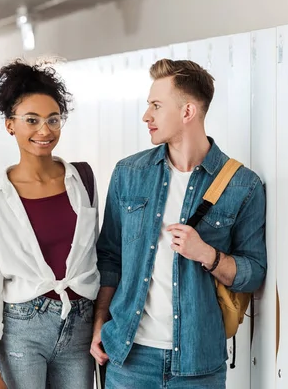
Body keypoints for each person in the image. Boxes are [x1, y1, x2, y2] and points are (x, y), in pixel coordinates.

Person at [91, 58, 267, 388]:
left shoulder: (243, 185)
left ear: (187, 112)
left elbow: (253, 272)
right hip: (129, 356)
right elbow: (110, 259)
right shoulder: (129, 174)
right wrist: (100, 323)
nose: (147, 116)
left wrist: (207, 255)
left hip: (199, 363)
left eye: (157, 106)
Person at [0, 58, 100, 389]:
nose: (44, 131)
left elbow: (96, 258)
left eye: (53, 120)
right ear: (10, 125)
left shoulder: (81, 180)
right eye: (32, 120)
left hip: (80, 325)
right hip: (23, 328)